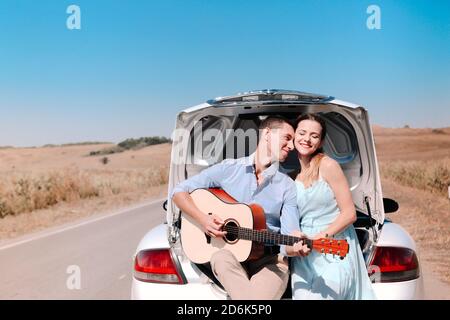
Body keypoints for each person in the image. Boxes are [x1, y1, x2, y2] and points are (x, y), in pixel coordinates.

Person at [170, 116, 309, 300]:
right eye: (287, 137)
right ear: (267, 133)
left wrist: (296, 246)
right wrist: (203, 219)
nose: (292, 146)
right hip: (229, 255)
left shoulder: (287, 185)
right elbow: (179, 191)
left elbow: (289, 237)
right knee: (220, 257)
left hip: (270, 260)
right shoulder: (228, 169)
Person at [281, 113, 376, 300]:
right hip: (305, 253)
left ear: (321, 140)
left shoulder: (328, 165)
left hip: (334, 246)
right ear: (293, 137)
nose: (307, 139)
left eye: (314, 136)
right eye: (302, 133)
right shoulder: (291, 178)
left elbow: (349, 213)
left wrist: (321, 237)